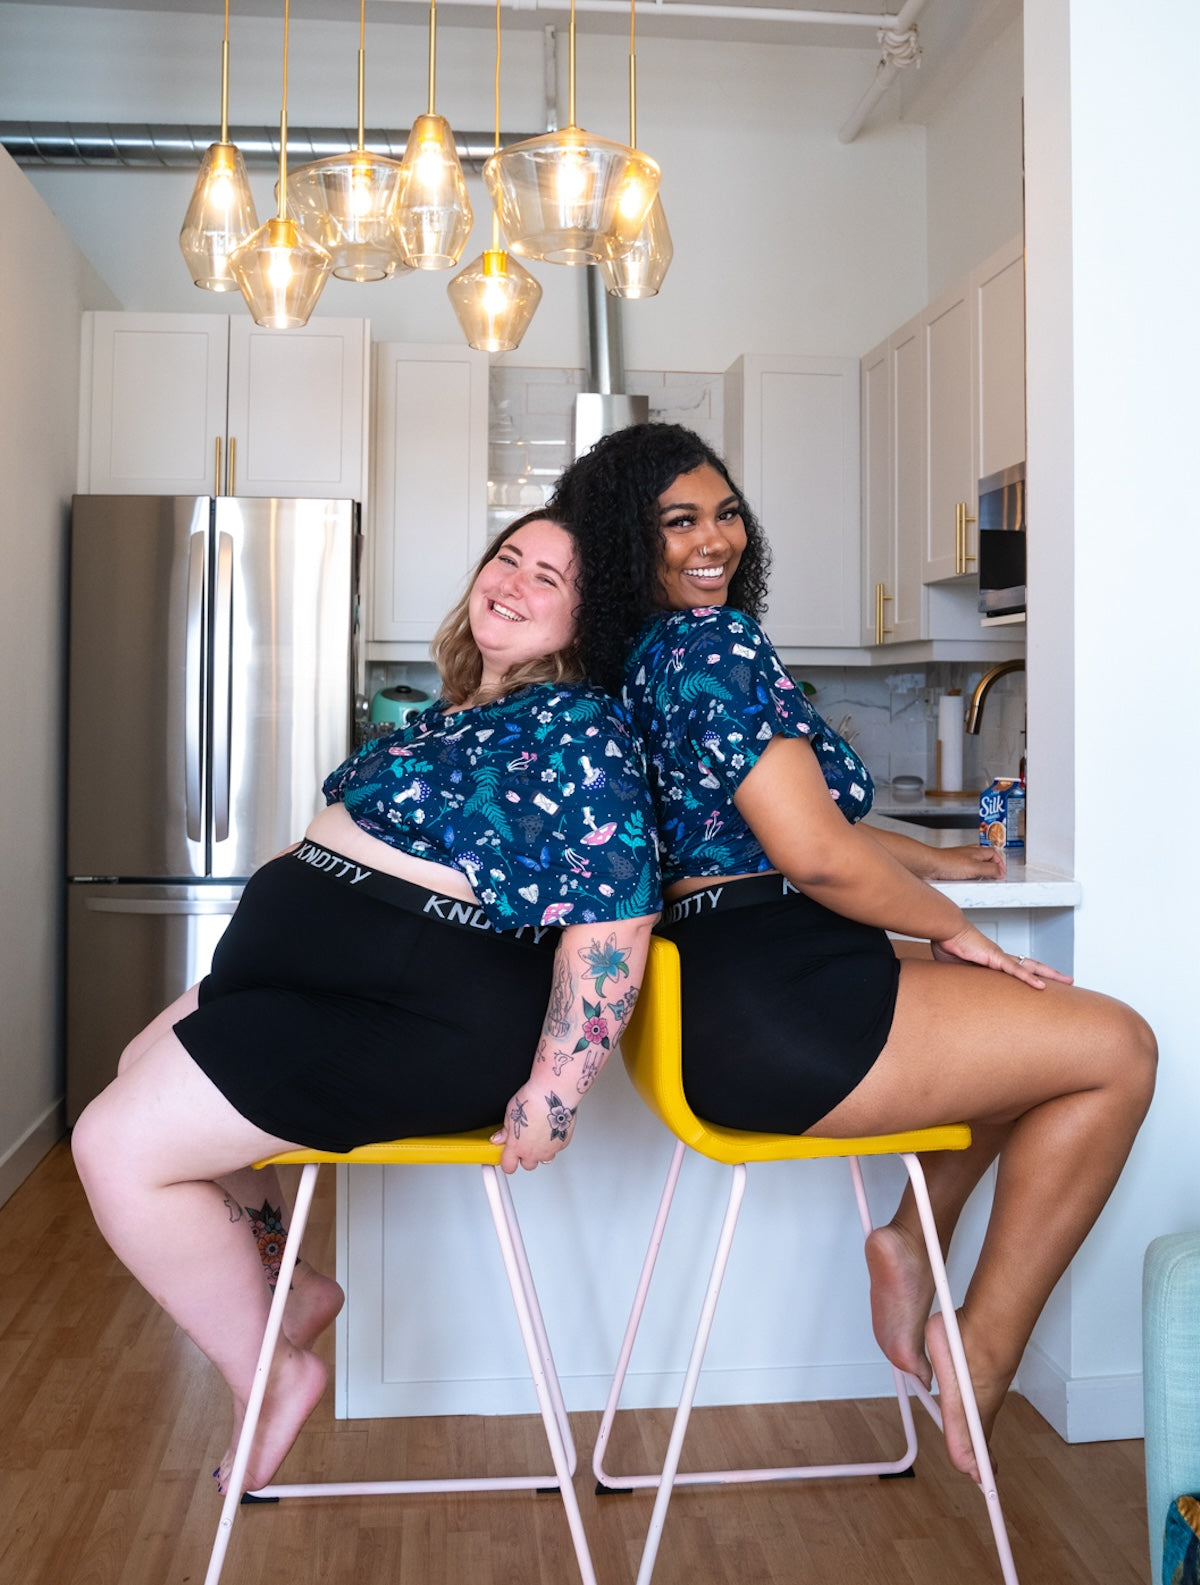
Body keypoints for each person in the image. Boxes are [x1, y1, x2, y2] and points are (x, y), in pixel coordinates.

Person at [549, 423, 1156, 1482]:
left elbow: (771, 827)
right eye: (679, 521)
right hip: (785, 1000)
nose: (715, 539)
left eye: (725, 512)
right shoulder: (713, 646)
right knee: (1116, 1050)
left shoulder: (638, 663)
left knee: (1033, 1039)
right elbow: (815, 854)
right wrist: (950, 924)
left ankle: (915, 1240)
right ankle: (985, 1347)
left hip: (727, 1001)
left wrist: (936, 859)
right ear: (623, 543)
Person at [71, 509, 661, 1499]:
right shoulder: (458, 711)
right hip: (329, 985)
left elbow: (616, 915)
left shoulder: (580, 726)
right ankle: (289, 1286)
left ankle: (273, 1370)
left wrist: (558, 1089)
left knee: (114, 1146)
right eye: (507, 557)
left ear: (587, 619)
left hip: (416, 1010)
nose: (511, 581)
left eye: (549, 578)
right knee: (142, 1071)